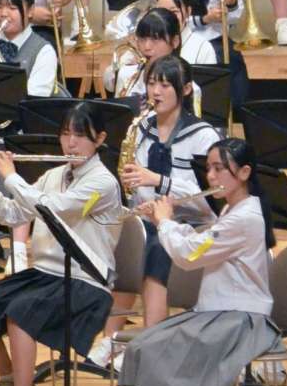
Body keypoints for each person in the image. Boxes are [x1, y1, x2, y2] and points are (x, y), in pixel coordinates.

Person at [0, 100, 122, 386]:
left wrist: (12, 177)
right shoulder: (54, 175)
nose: (70, 143)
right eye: (65, 134)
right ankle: (11, 381)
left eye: (80, 136)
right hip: (45, 274)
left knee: (21, 313)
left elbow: (53, 209)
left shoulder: (103, 182)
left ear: (100, 139)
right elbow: (12, 215)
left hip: (85, 279)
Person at [117, 137, 282, 386]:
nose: (211, 176)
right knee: (137, 349)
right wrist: (163, 222)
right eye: (209, 168)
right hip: (219, 311)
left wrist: (164, 222)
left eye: (220, 168)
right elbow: (197, 243)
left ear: (245, 172)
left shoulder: (246, 217)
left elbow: (189, 255)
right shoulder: (232, 210)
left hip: (240, 319)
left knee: (153, 351)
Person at [92, 55, 220, 363]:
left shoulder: (203, 136)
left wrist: (159, 181)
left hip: (194, 223)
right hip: (152, 217)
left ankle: (150, 343)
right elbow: (139, 187)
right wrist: (138, 194)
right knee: (124, 237)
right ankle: (111, 339)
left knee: (155, 245)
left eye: (165, 85)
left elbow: (210, 195)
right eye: (151, 83)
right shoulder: (142, 129)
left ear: (186, 89)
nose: (156, 92)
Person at [0, 0, 60, 97]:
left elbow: (33, 99)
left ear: (31, 10)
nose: (3, 13)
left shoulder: (44, 51)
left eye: (12, 8)